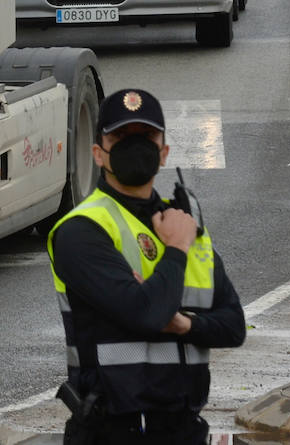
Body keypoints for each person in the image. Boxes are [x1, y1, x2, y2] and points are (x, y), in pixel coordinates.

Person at [48, 88, 246, 445]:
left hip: (182, 428)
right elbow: (147, 314)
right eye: (121, 136)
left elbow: (233, 326)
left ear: (164, 151)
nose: (135, 145)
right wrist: (175, 249)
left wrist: (184, 323)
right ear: (98, 153)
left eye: (147, 136)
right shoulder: (82, 230)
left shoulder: (186, 226)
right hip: (110, 430)